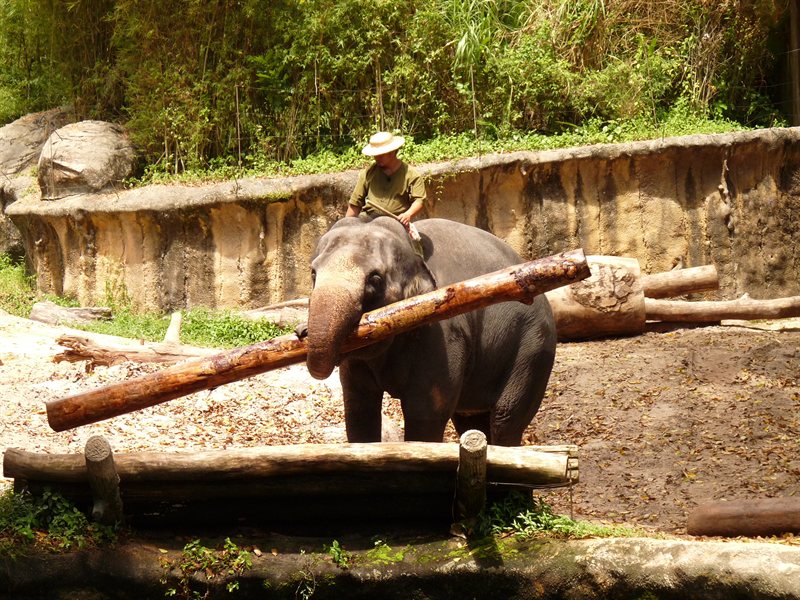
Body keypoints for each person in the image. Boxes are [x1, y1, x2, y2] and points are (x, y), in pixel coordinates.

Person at [345, 131, 426, 229]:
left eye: (381, 154)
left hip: (396, 221)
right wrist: (346, 226)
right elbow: (355, 203)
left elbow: (419, 200)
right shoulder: (368, 173)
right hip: (369, 219)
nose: (376, 158)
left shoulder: (411, 175)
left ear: (392, 152)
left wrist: (408, 215)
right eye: (375, 154)